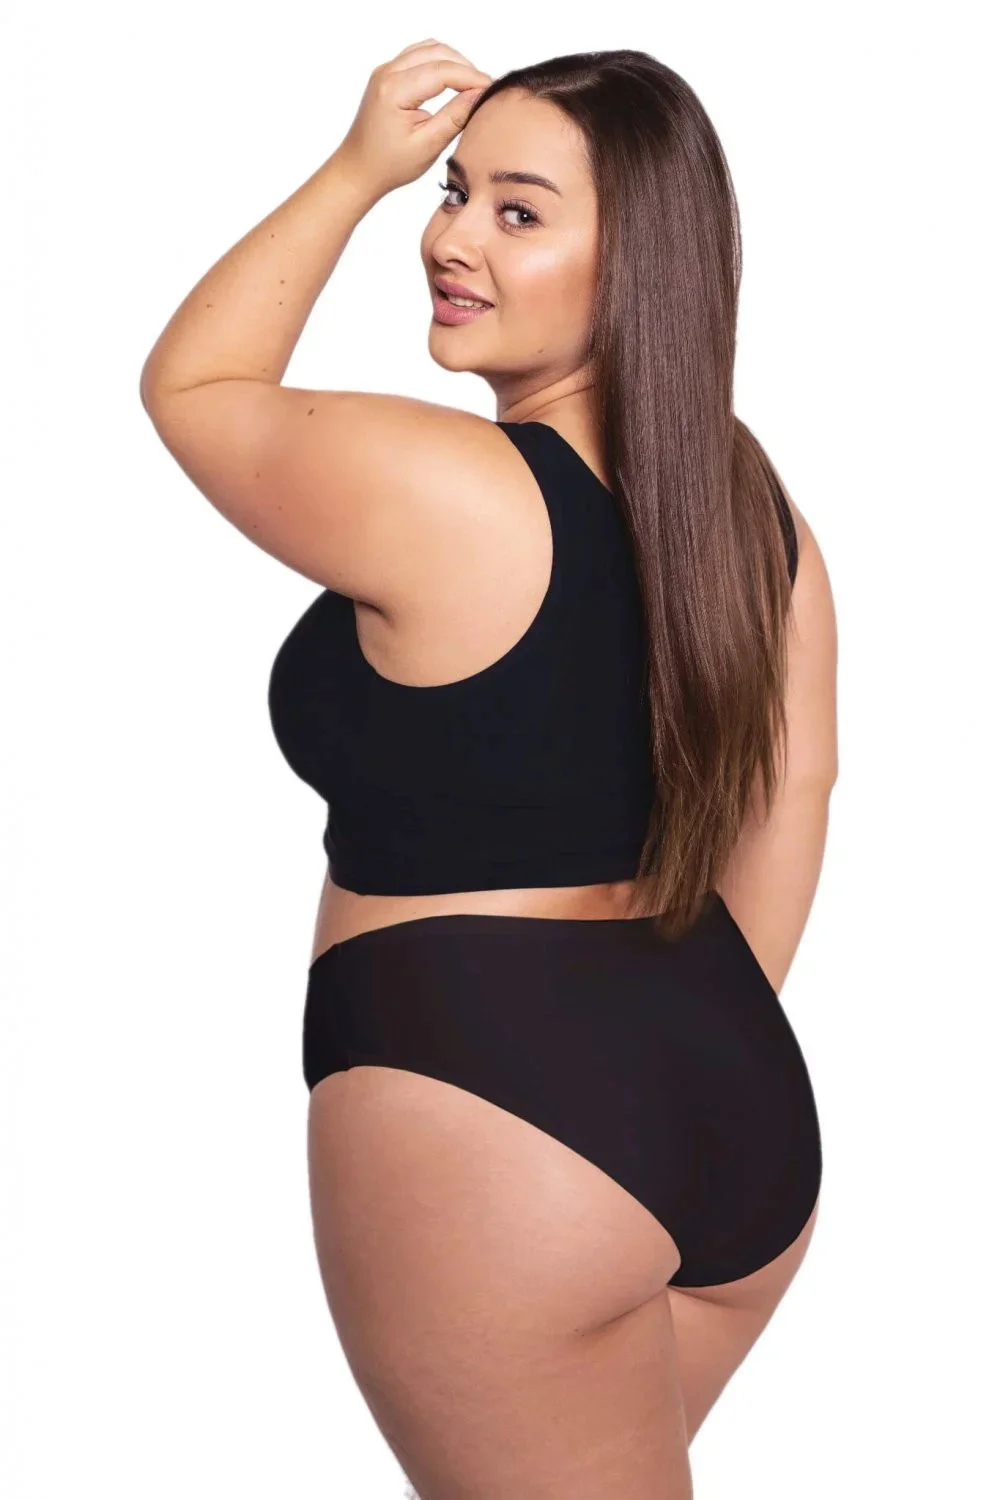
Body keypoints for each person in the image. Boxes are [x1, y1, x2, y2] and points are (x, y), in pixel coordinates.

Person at [140, 38, 837, 1500]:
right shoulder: (750, 510)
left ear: (638, 262)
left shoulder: (449, 485)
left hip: (497, 1117)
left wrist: (357, 170)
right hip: (722, 1093)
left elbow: (194, 383)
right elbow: (791, 799)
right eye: (450, 192)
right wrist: (657, 1057)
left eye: (519, 212)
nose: (451, 237)